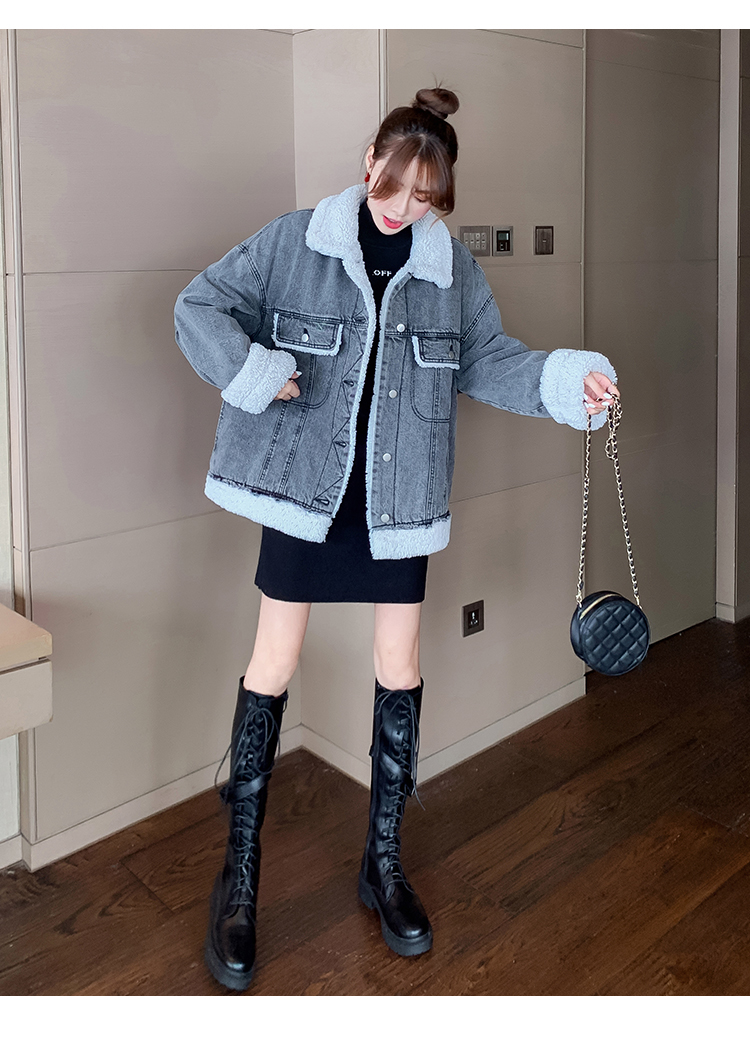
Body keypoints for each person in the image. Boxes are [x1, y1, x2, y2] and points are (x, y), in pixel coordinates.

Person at [174, 86, 619, 993]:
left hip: (398, 497)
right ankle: (239, 878)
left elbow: (489, 360)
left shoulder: (450, 270)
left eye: (426, 197)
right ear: (369, 162)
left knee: (400, 666)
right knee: (273, 662)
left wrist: (567, 382)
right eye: (394, 186)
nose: (404, 207)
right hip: (305, 493)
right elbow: (199, 306)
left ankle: (382, 865)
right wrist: (255, 370)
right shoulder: (295, 241)